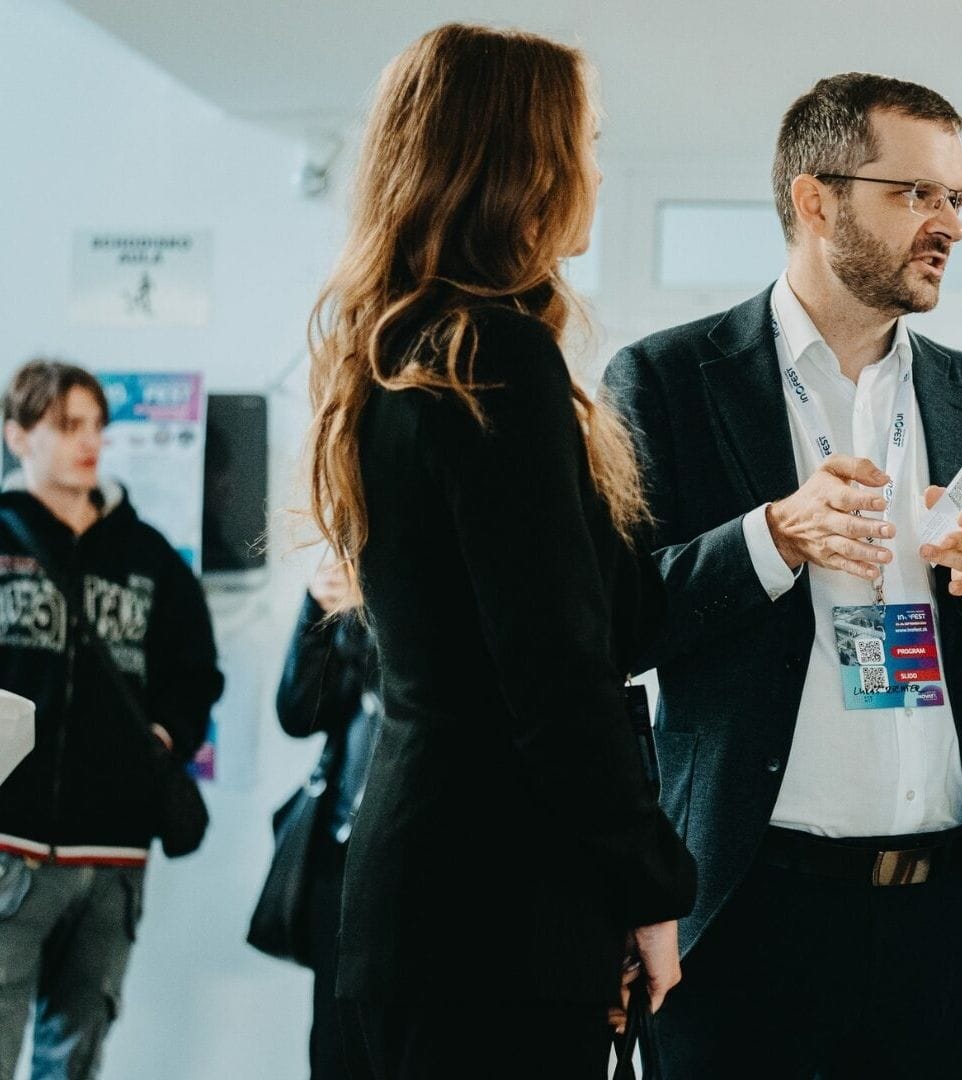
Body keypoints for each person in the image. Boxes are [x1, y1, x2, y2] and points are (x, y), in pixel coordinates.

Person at [603, 72, 962, 1078]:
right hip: (744, 917)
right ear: (814, 201)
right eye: (915, 193)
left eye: (957, 197)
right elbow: (618, 624)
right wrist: (772, 537)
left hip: (945, 930)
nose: (948, 223)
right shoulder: (666, 380)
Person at [301, 24, 695, 1079]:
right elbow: (557, 673)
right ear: (525, 161)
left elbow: (600, 621)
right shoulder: (494, 358)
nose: (599, 170)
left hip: (415, 897)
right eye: (588, 140)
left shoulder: (401, 354)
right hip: (495, 915)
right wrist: (647, 886)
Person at [0, 359, 224, 1078]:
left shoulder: (148, 555)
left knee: (75, 1061)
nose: (89, 441)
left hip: (114, 857)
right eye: (68, 425)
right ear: (17, 435)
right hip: (9, 846)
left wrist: (163, 737)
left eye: (97, 424)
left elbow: (197, 673)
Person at [273, 559, 379, 1080]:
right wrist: (318, 610)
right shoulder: (352, 575)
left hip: (411, 851)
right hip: (341, 848)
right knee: (336, 1051)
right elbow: (299, 712)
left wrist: (379, 604)